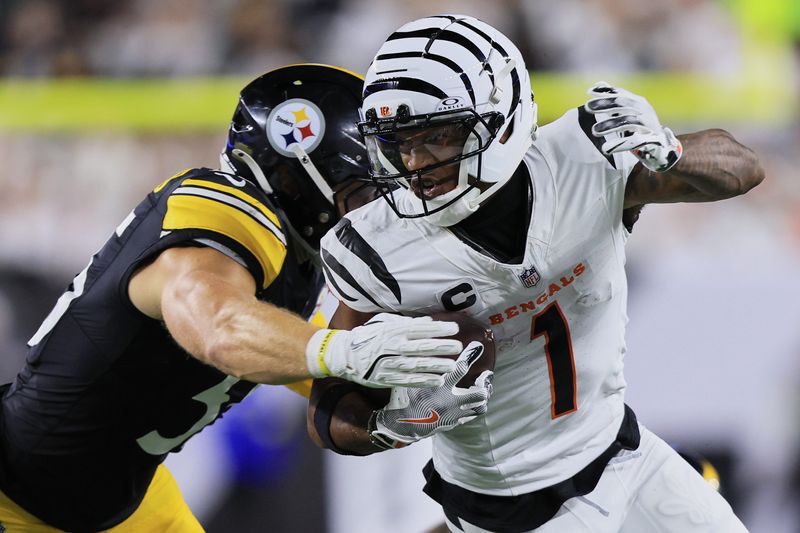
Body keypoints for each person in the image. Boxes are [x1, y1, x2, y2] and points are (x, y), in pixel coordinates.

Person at [308, 14, 765, 533]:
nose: (415, 163)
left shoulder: (583, 160)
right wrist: (392, 425)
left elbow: (744, 169)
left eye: (437, 136)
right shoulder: (376, 248)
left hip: (621, 449)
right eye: (399, 142)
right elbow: (328, 409)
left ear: (501, 119)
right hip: (509, 507)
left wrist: (672, 154)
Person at [0, 64, 468, 532]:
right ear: (305, 172)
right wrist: (345, 352)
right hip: (18, 491)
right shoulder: (223, 210)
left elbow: (317, 366)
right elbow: (219, 327)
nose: (379, 208)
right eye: (363, 189)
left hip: (119, 498)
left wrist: (405, 403)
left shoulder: (298, 256)